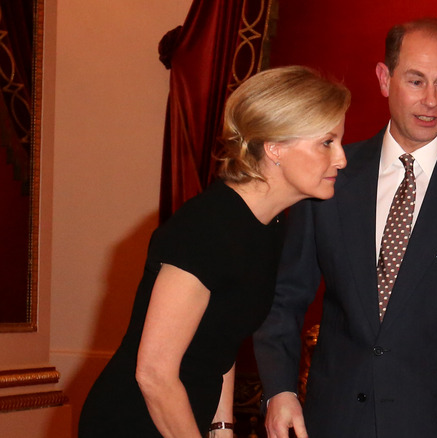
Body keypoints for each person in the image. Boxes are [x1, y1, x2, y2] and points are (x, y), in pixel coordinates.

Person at [253, 18, 437, 438]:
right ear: (384, 79)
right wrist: (279, 391)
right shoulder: (329, 177)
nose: (432, 101)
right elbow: (284, 298)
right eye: (416, 81)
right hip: (333, 420)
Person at [78, 66, 350, 437]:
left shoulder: (268, 225)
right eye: (327, 143)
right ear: (275, 148)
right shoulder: (207, 227)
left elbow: (224, 340)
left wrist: (222, 427)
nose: (341, 159)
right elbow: (154, 374)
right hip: (133, 423)